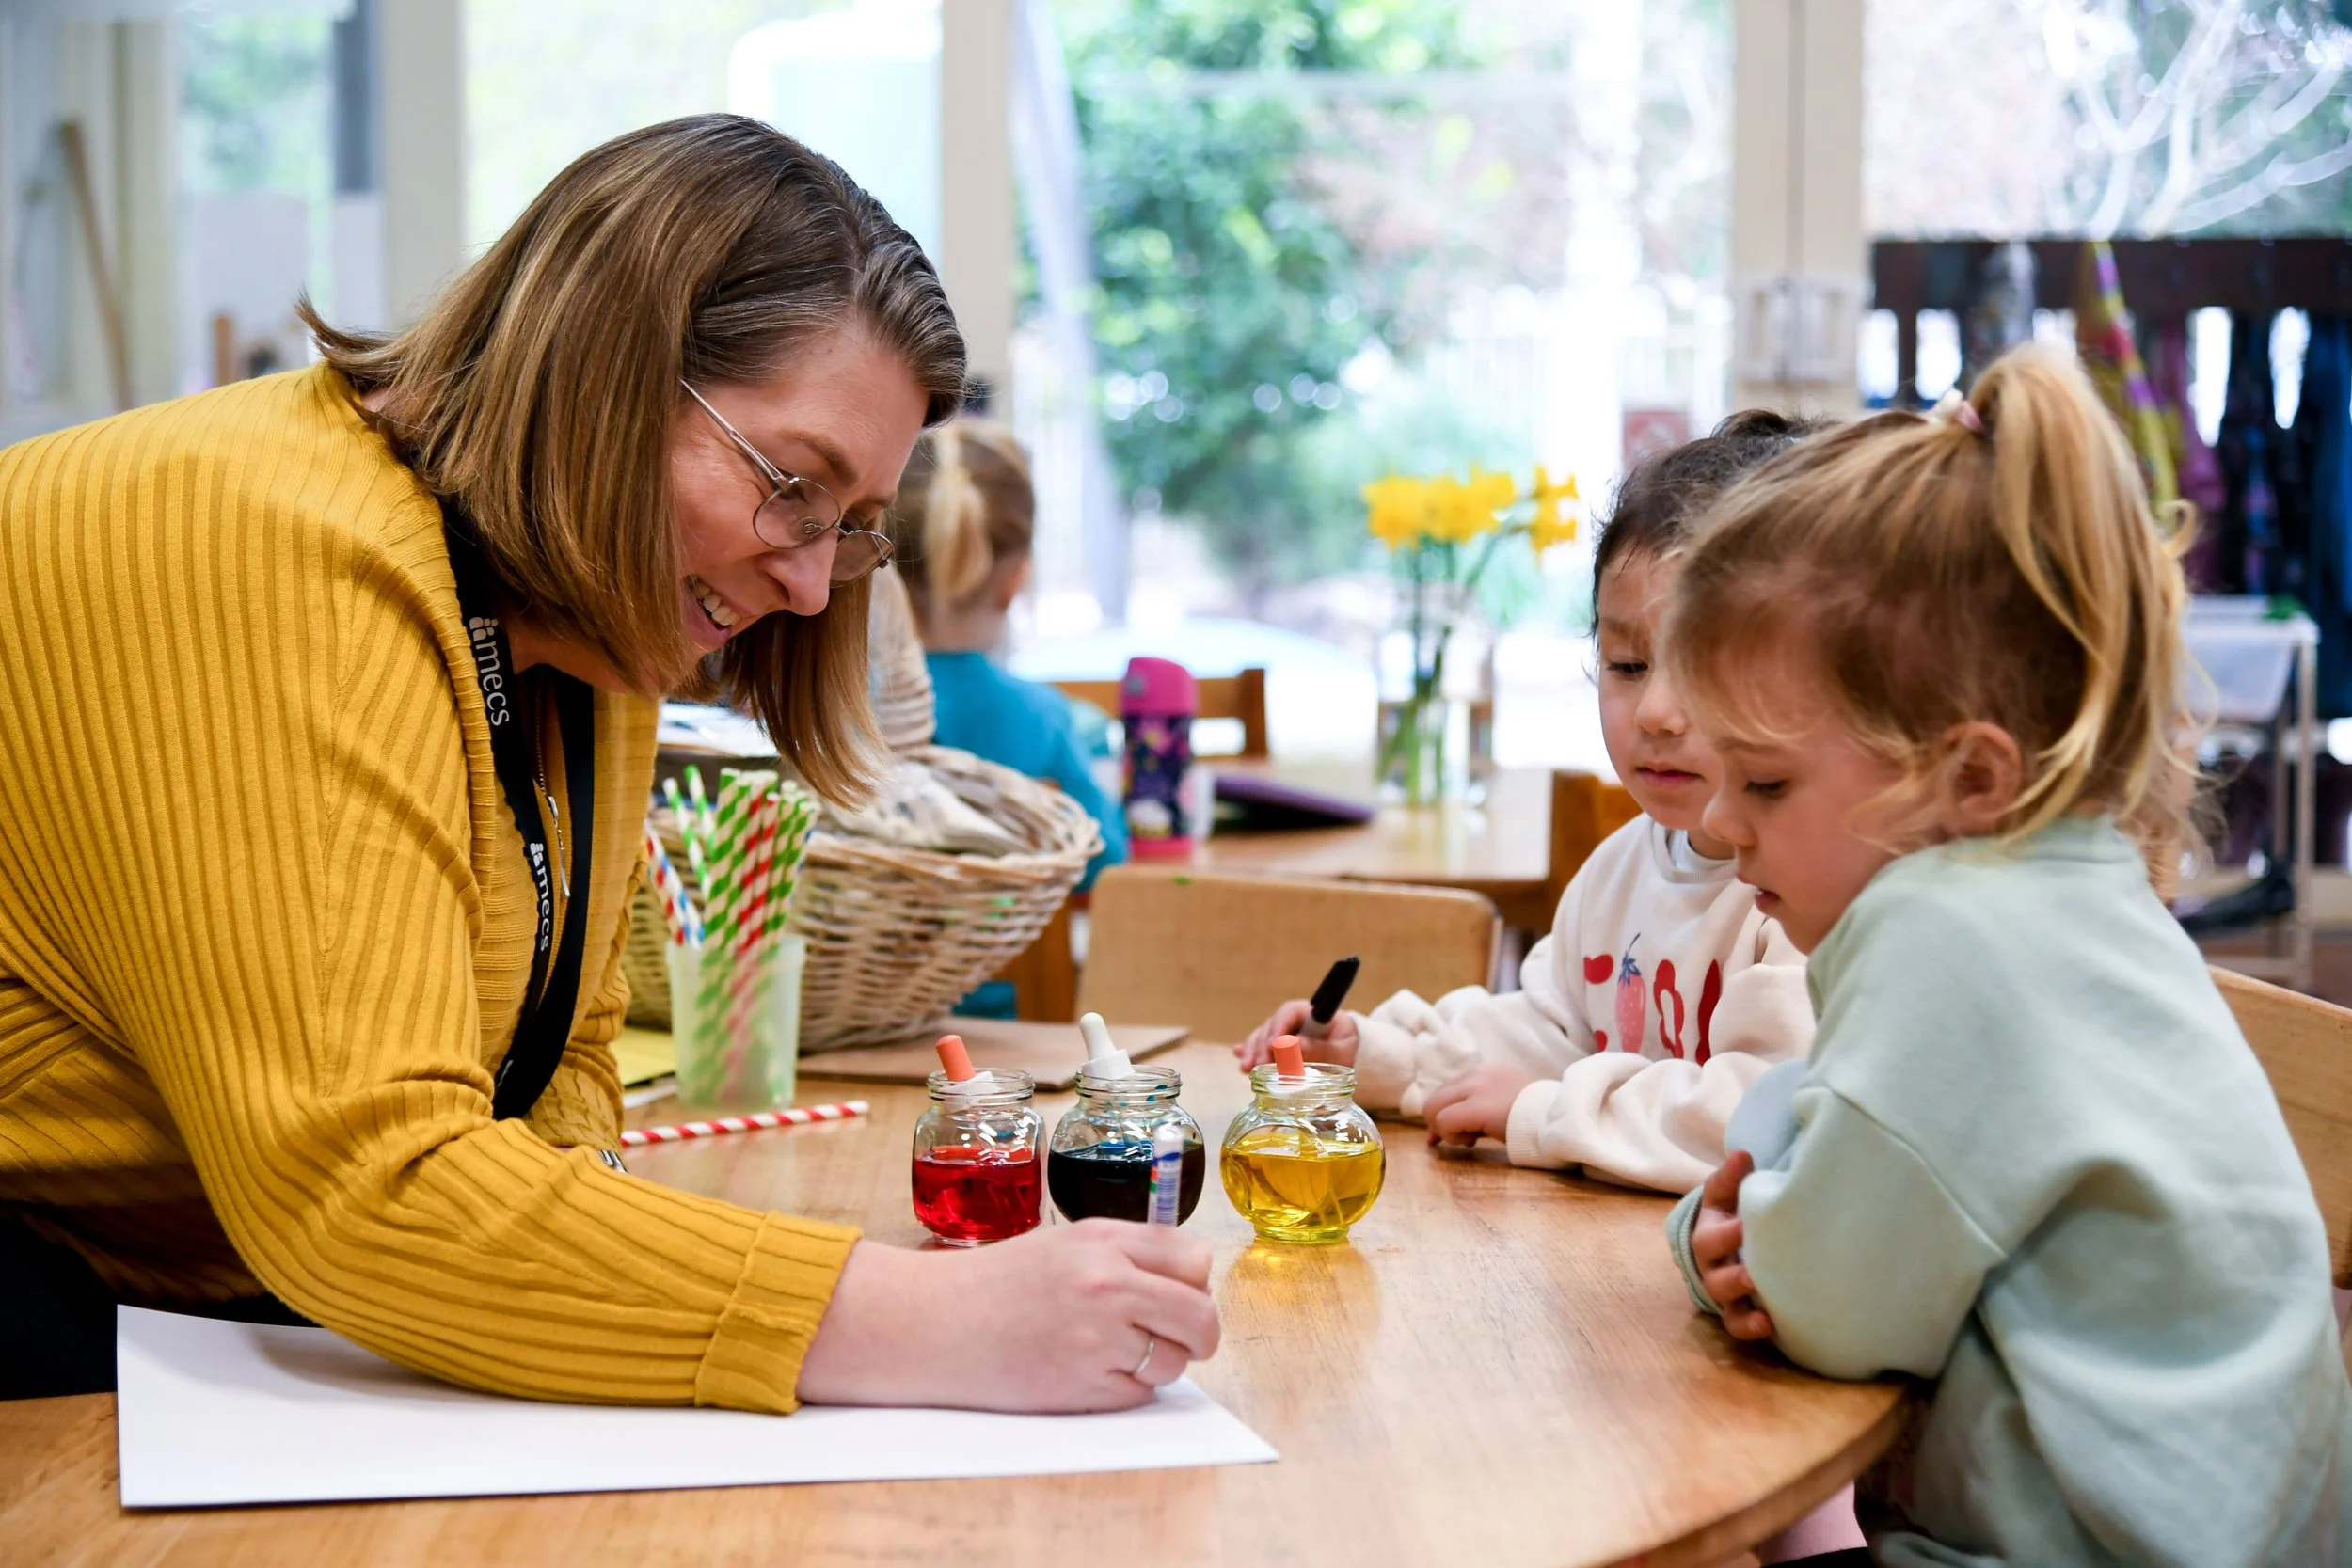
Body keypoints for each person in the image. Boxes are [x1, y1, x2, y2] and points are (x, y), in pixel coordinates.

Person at [0, 115, 1216, 1411]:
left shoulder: (584, 617)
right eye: (793, 486)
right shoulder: (272, 552)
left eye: (853, 527)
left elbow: (559, 1060)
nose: (811, 585)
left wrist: (562, 1263)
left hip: (205, 1281)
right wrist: (924, 1317)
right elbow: (365, 1181)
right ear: (605, 370)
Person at [1667, 348, 2348, 1563]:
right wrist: (1775, 1204)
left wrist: (1712, 1237)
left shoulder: (1948, 924)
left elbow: (1830, 1303)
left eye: (1765, 781)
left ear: (1970, 776)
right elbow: (1855, 1156)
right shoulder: (2069, 889)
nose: (1720, 825)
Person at [1239, 414, 1820, 1195]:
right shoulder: (1619, 868)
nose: (1654, 712)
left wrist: (1546, 1113)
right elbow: (1546, 1028)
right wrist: (1369, 1055)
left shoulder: (1807, 895)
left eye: (1700, 663)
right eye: (1627, 663)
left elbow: (1760, 1119)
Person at [887, 420, 1127, 889]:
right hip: (1006, 962)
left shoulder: (831, 706)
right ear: (1015, 581)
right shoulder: (1041, 716)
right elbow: (1105, 861)